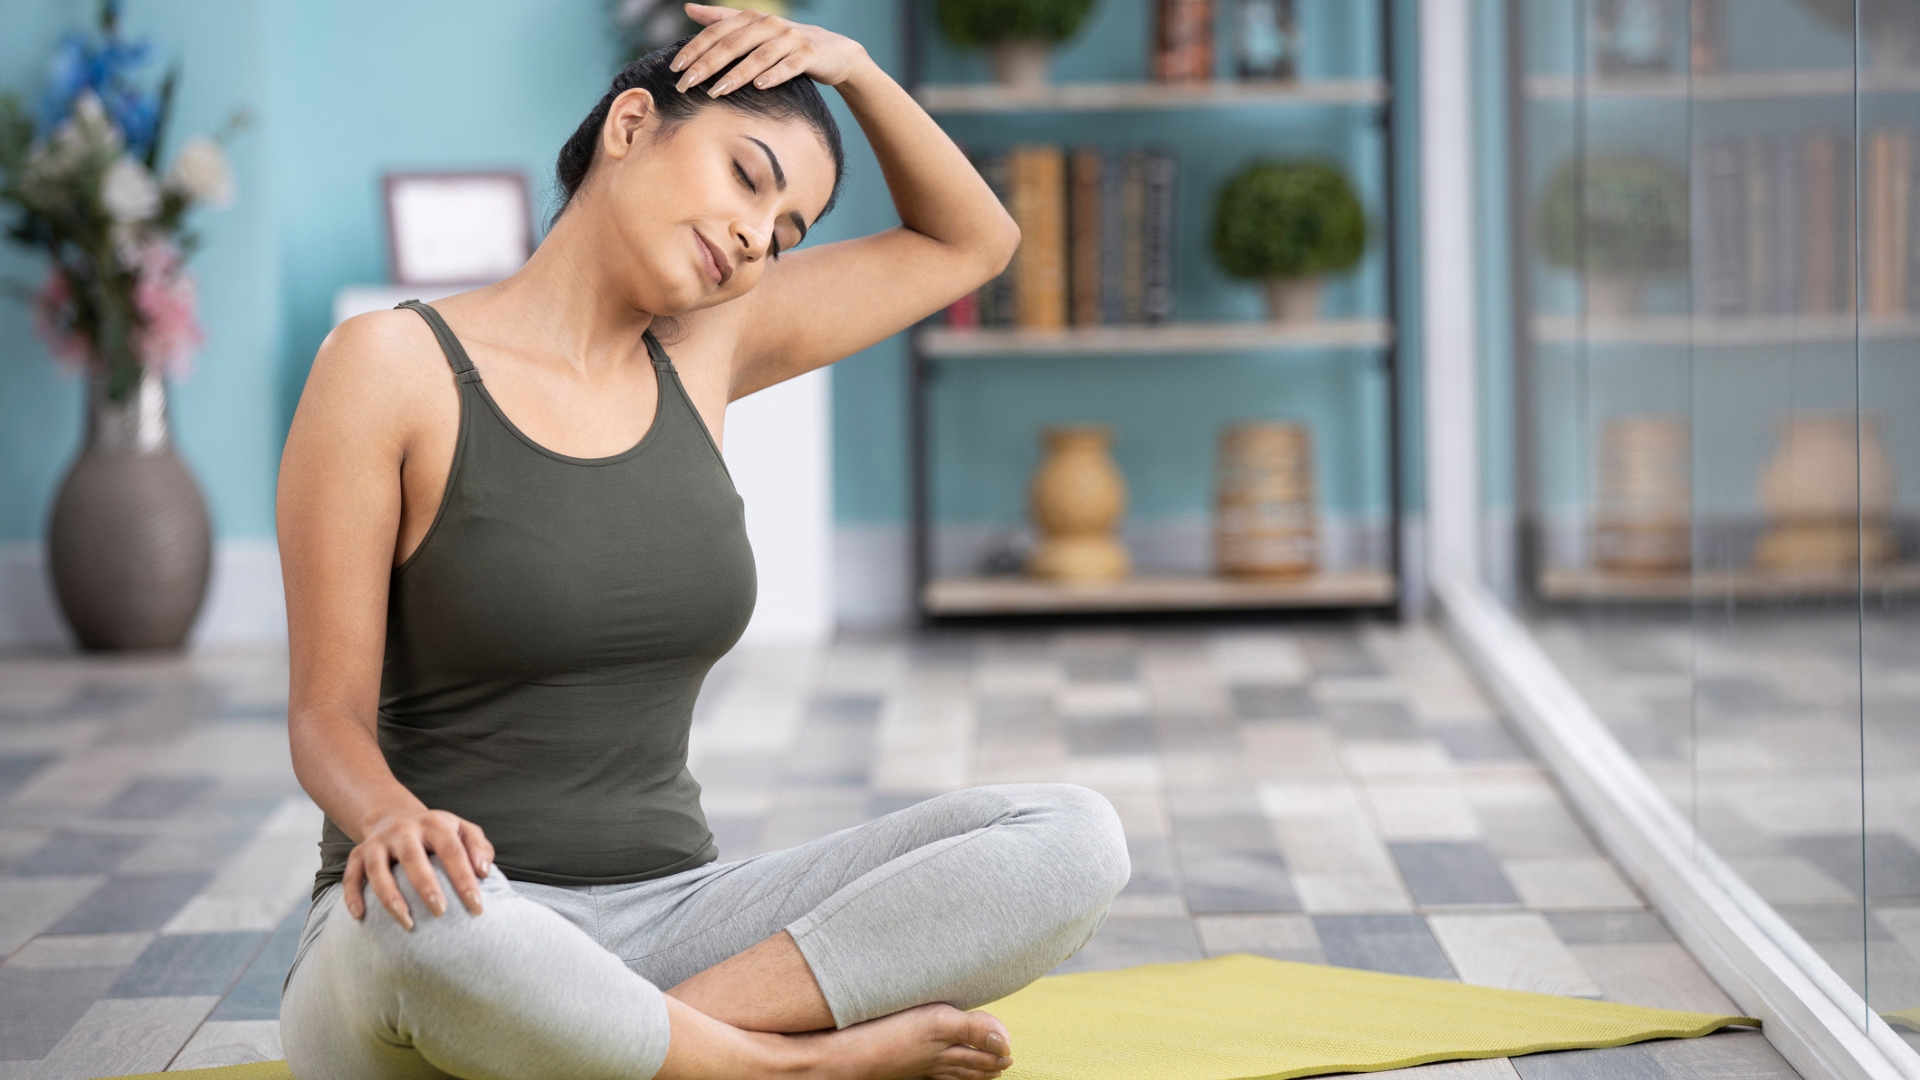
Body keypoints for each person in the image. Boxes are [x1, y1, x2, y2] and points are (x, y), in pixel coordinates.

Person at [273, 6, 1131, 1079]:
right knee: (426, 934)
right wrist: (392, 821)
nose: (757, 237)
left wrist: (855, 67)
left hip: (674, 918)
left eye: (786, 232)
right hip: (453, 924)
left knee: (1070, 837)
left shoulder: (707, 351)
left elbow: (974, 242)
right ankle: (786, 1068)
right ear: (631, 125)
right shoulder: (388, 365)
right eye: (747, 176)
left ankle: (643, 1045)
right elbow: (325, 716)